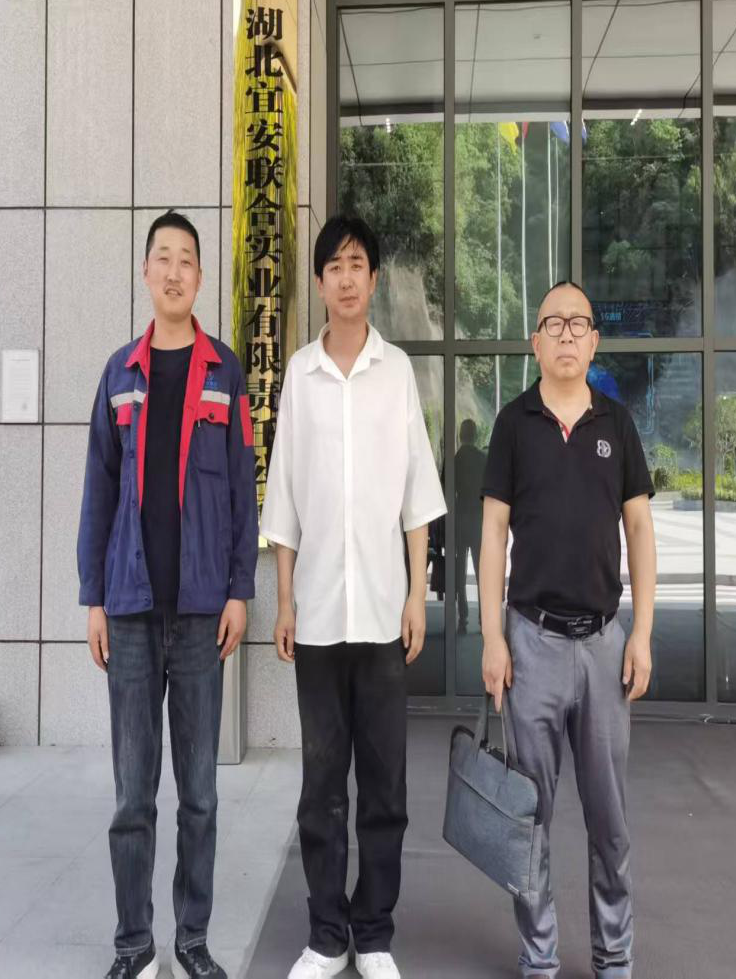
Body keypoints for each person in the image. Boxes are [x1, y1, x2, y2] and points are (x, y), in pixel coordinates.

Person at [260, 215, 446, 979]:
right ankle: (326, 935)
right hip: (316, 612)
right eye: (333, 264)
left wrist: (416, 594)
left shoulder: (395, 372)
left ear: (373, 280)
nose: (344, 277)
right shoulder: (299, 376)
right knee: (321, 784)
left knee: (385, 784)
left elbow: (416, 493)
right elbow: (284, 499)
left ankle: (373, 934)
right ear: (319, 281)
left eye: (357, 263)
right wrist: (283, 599)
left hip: (380, 610)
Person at [77, 210, 258, 979]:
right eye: (164, 257)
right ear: (146, 273)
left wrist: (241, 590)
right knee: (132, 794)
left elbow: (244, 489)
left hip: (198, 614)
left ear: (200, 277)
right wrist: (93, 595)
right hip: (128, 609)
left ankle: (191, 939)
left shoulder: (226, 373)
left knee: (200, 793)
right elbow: (98, 490)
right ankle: (133, 945)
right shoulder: (120, 374)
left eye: (188, 258)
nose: (176, 270)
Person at [478, 281, 657, 979]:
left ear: (594, 340)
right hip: (532, 643)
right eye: (553, 324)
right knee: (530, 816)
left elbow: (639, 529)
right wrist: (493, 637)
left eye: (577, 324)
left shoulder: (617, 423)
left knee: (609, 820)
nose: (566, 335)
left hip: (605, 645)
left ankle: (614, 956)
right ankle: (540, 955)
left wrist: (641, 632)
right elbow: (493, 534)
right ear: (535, 341)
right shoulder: (512, 423)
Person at [454, 418, 487, 632]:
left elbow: (446, 490)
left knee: (459, 570)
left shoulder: (454, 460)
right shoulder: (483, 459)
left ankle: (463, 617)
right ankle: (484, 617)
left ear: (460, 435)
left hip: (460, 518)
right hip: (478, 519)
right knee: (481, 568)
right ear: (475, 436)